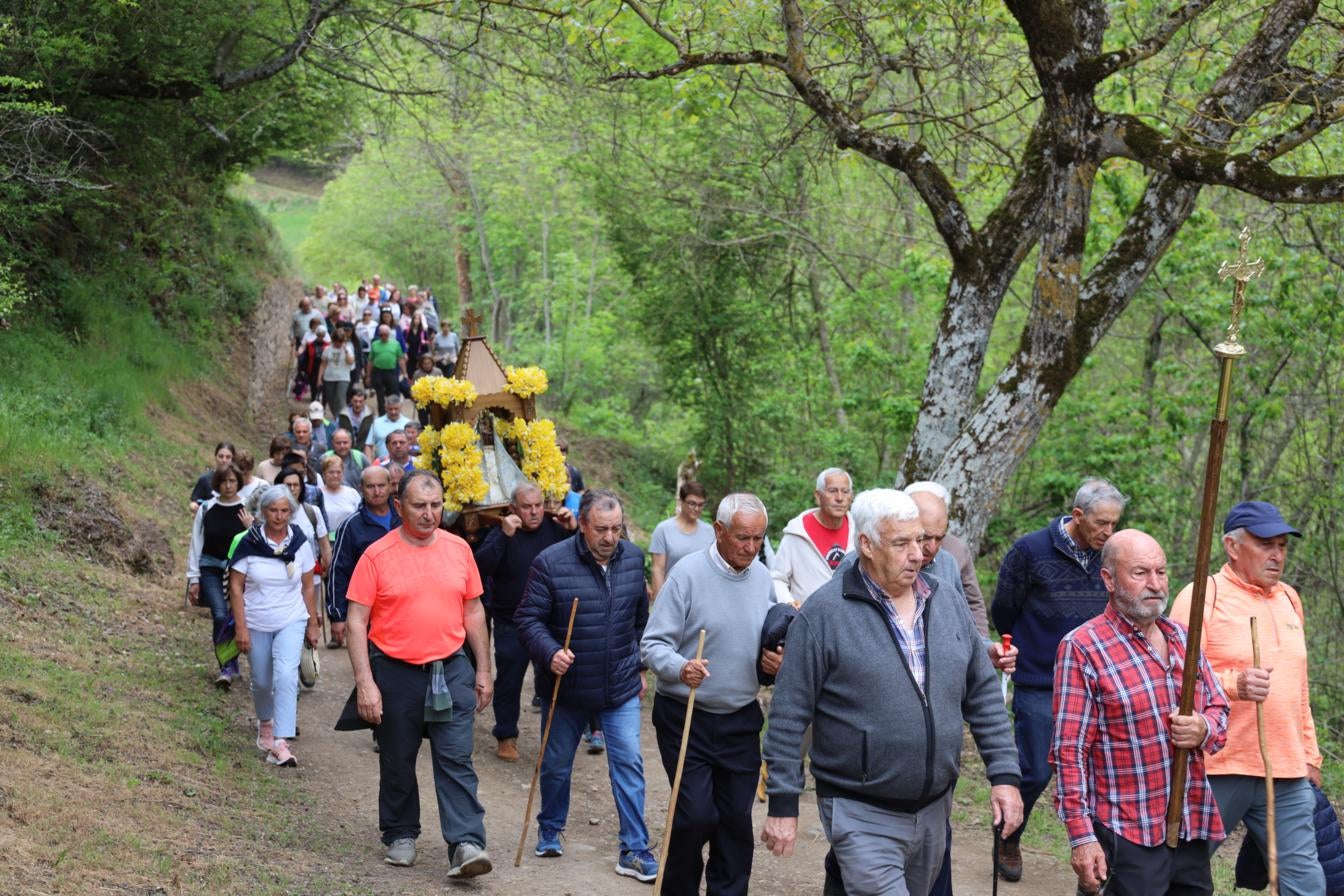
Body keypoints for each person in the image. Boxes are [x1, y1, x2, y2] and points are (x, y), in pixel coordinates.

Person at [761, 488, 1022, 896]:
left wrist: (1004, 776)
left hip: (935, 808)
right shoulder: (825, 613)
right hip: (860, 808)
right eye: (901, 543)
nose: (917, 554)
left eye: (919, 540)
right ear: (866, 544)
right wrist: (782, 801)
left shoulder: (946, 600)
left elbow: (984, 694)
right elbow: (789, 713)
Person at [1054, 529, 1228, 896]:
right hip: (1126, 830)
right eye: (1140, 573)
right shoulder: (1084, 648)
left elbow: (1218, 706)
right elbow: (1069, 753)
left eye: (1161, 572)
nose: (1155, 584)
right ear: (1109, 580)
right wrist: (1082, 836)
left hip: (1188, 822)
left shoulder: (1184, 637)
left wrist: (1203, 729)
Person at [1169, 501, 1325, 896]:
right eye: (1265, 545)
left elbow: (1298, 687)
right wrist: (1233, 684)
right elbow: (1172, 678)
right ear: (1231, 546)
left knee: (1305, 882)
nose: (1277, 555)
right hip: (1218, 765)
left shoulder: (1290, 598)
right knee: (1177, 871)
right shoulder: (1203, 594)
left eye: (1282, 546)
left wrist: (1310, 754)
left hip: (1285, 771)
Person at [344, 470, 494, 879]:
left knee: (456, 756)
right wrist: (365, 683)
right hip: (395, 672)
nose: (430, 514)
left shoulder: (459, 549)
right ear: (398, 507)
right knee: (397, 756)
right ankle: (400, 832)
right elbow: (357, 621)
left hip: (451, 669)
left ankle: (466, 843)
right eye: (419, 506)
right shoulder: (377, 555)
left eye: (436, 505)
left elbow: (474, 610)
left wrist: (484, 667)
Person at [514, 489, 658, 882]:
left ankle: (634, 848)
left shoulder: (633, 559)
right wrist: (550, 653)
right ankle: (550, 825)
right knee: (557, 765)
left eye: (616, 529)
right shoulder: (551, 562)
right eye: (601, 529)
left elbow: (640, 622)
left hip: (620, 686)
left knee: (628, 763)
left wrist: (641, 666)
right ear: (582, 524)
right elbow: (527, 619)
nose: (610, 538)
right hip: (568, 687)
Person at [641, 493, 780, 896]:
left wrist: (771, 662)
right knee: (695, 816)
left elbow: (765, 641)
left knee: (736, 822)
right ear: (719, 531)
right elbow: (652, 646)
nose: (751, 548)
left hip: (740, 717)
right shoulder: (687, 574)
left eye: (758, 539)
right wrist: (681, 667)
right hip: (686, 714)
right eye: (742, 538)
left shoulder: (761, 578)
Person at [990, 477, 1127, 882]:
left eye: (1115, 524)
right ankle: (1009, 834)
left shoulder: (1112, 555)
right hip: (1040, 679)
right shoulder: (1030, 551)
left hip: (1099, 682)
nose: (1109, 532)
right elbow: (1004, 609)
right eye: (1102, 524)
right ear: (1079, 515)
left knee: (1102, 774)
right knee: (1033, 770)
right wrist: (1030, 649)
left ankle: (1102, 861)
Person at [471, 482, 576, 762]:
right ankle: (506, 735)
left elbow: (582, 555)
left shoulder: (557, 529)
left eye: (538, 505)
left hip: (549, 621)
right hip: (511, 620)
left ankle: (553, 739)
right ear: (513, 509)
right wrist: (503, 537)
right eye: (527, 507)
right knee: (509, 679)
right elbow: (479, 568)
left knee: (553, 678)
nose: (534, 512)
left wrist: (575, 527)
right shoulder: (503, 532)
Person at [227, 485, 321, 767]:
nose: (279, 517)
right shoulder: (248, 542)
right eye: (273, 511)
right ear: (262, 512)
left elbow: (308, 586)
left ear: (291, 512)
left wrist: (312, 623)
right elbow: (235, 585)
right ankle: (265, 724)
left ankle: (281, 741)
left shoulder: (300, 542)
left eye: (284, 511)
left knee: (285, 676)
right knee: (263, 680)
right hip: (256, 620)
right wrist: (240, 628)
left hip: (291, 619)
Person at [186, 464, 249, 688]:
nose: (229, 485)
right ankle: (225, 666)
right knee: (220, 615)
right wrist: (193, 578)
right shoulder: (207, 509)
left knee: (235, 617)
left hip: (238, 571)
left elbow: (257, 544)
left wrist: (250, 527)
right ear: (217, 484)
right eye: (224, 481)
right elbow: (196, 543)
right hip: (210, 567)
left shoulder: (245, 508)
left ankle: (230, 659)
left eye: (232, 481)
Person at [904, 481, 988, 638]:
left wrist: (984, 649)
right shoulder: (882, 560)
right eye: (925, 537)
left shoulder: (952, 558)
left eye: (940, 538)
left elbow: (970, 607)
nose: (933, 547)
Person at [328, 466, 400, 649]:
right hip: (368, 610)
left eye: (381, 485)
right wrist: (338, 615)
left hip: (405, 606)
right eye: (371, 486)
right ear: (361, 488)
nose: (377, 492)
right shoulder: (351, 526)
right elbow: (339, 571)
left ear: (391, 486)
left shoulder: (404, 518)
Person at [771, 467, 854, 604]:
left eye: (845, 492)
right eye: (832, 491)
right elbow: (777, 578)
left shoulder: (858, 533)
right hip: (806, 620)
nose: (839, 498)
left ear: (851, 497)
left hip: (847, 621)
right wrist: (789, 605)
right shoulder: (797, 532)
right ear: (817, 496)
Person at [648, 481, 715, 598]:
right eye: (692, 504)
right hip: (673, 597)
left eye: (701, 504)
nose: (696, 508)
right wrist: (660, 603)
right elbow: (658, 569)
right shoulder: (663, 530)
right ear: (681, 502)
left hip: (702, 599)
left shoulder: (710, 532)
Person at [366, 323, 407, 415]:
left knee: (393, 394)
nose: (383, 337)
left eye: (385, 335)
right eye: (381, 335)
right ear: (379, 335)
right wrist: (368, 375)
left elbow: (400, 359)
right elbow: (370, 361)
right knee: (380, 396)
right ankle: (382, 414)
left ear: (389, 334)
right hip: (378, 372)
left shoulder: (395, 344)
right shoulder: (375, 344)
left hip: (391, 372)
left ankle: (394, 413)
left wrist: (404, 372)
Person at [317, 326, 356, 417]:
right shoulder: (327, 349)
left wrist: (345, 350)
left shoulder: (348, 348)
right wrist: (319, 378)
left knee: (340, 398)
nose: (338, 344)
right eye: (337, 341)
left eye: (341, 341)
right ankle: (337, 417)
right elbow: (323, 364)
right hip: (329, 377)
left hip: (343, 378)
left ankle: (342, 419)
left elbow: (350, 362)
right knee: (331, 400)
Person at [189, 442, 236, 514]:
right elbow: (195, 501)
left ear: (233, 459)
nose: (224, 460)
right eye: (221, 456)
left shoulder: (238, 481)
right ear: (215, 457)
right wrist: (193, 506)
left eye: (228, 457)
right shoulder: (205, 479)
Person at [318, 455, 361, 533]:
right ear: (323, 474)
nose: (335, 475)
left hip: (350, 537)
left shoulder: (352, 493)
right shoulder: (317, 493)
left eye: (338, 472)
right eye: (331, 472)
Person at [364, 392, 409, 461]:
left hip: (403, 463)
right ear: (386, 408)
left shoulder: (407, 423)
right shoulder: (377, 423)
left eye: (396, 409)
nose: (393, 412)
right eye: (390, 409)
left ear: (401, 407)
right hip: (382, 465)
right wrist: (369, 464)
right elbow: (368, 445)